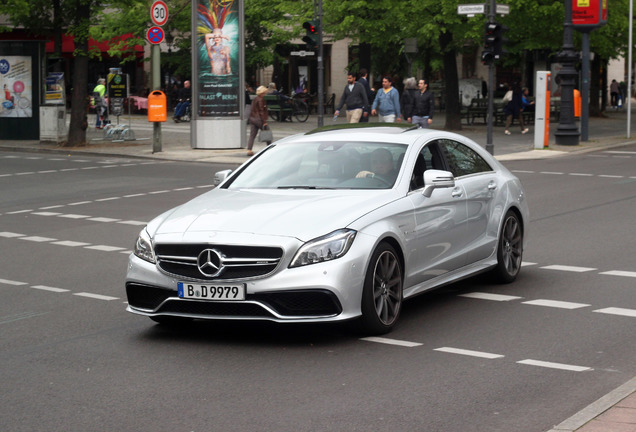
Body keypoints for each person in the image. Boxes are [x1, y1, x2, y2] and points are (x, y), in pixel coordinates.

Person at [246, 85, 270, 156]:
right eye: (265, 92)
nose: (265, 94)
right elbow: (261, 111)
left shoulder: (255, 99)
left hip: (252, 119)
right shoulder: (261, 100)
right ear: (262, 92)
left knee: (252, 135)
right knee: (267, 132)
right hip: (259, 119)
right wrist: (264, 122)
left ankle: (249, 150)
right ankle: (270, 148)